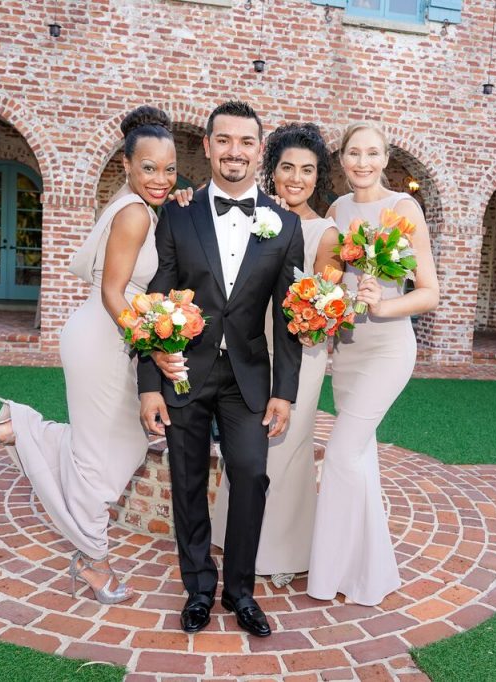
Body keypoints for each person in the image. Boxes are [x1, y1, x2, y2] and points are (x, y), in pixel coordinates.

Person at [0, 106, 178, 605]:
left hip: (106, 335)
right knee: (104, 463)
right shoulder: (134, 212)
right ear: (127, 164)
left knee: (111, 448)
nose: (161, 178)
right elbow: (112, 291)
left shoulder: (136, 204)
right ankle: (95, 564)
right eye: (149, 167)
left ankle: (17, 429)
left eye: (169, 169)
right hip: (107, 336)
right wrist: (153, 343)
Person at [138, 101, 304, 637]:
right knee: (186, 481)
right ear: (207, 147)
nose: (235, 151)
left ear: (260, 150)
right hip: (184, 368)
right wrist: (149, 383)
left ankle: (240, 592)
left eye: (246, 142)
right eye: (224, 140)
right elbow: (156, 300)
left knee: (252, 475)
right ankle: (199, 590)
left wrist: (286, 392)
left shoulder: (286, 224)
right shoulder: (179, 212)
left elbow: (289, 317)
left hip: (249, 377)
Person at [306, 122, 440, 606]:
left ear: (386, 159)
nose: (362, 162)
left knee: (341, 454)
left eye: (372, 153)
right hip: (348, 348)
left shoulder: (404, 209)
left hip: (387, 348)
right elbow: (330, 275)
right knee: (360, 459)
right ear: (341, 160)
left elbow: (429, 292)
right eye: (353, 154)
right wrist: (331, 297)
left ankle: (328, 571)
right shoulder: (338, 210)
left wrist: (381, 303)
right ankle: (367, 573)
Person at [205, 123, 341, 589]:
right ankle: (232, 534)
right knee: (250, 449)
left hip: (299, 348)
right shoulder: (257, 213)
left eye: (307, 170)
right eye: (287, 168)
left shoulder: (326, 233)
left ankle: (279, 550)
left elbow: (322, 302)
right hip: (248, 344)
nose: (296, 178)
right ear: (273, 169)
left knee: (285, 450)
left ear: (318, 177)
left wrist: (318, 310)